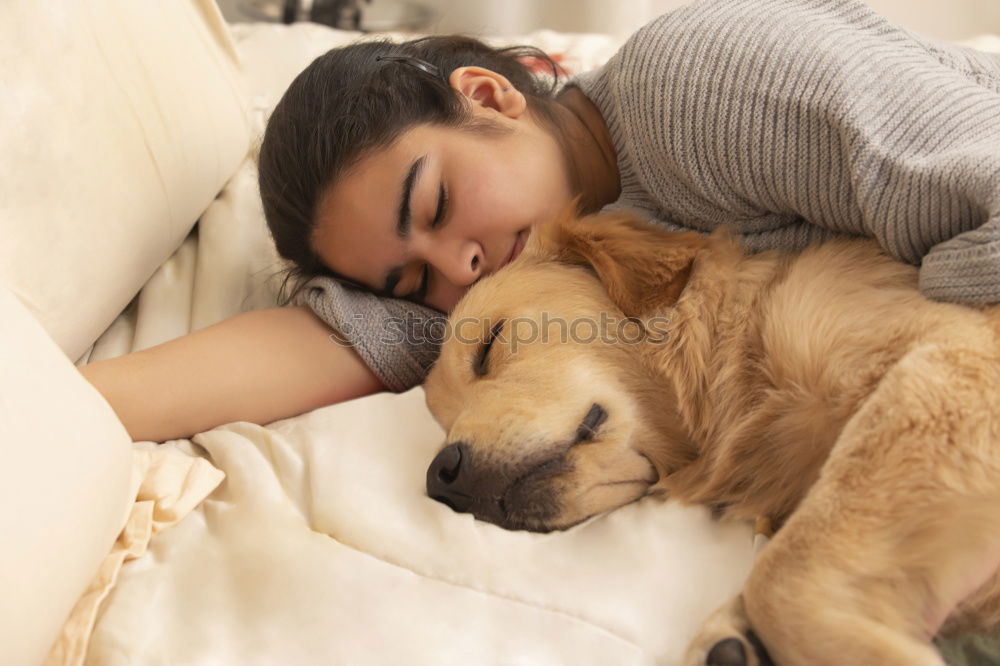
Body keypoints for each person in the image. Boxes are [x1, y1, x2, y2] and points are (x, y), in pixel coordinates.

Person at [80, 0, 1000, 443]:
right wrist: (54, 408)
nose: (462, 267)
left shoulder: (697, 93)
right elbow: (323, 344)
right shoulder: (522, 279)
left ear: (486, 95)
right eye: (415, 279)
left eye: (435, 205)